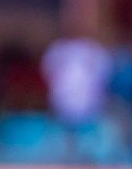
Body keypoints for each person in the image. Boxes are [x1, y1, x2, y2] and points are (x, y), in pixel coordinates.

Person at [40, 33, 113, 164]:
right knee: (62, 150)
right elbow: (48, 74)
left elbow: (104, 79)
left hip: (90, 108)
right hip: (62, 105)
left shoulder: (96, 51)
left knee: (88, 150)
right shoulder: (58, 50)